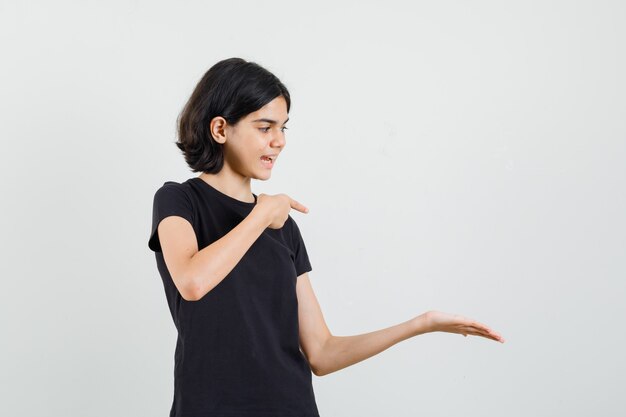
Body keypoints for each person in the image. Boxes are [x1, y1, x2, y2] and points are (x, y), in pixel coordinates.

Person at [148, 57, 505, 417]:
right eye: (264, 127)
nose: (279, 141)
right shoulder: (179, 200)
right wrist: (260, 215)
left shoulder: (283, 227)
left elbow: (321, 351)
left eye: (284, 127)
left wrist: (421, 324)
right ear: (220, 129)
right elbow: (192, 282)